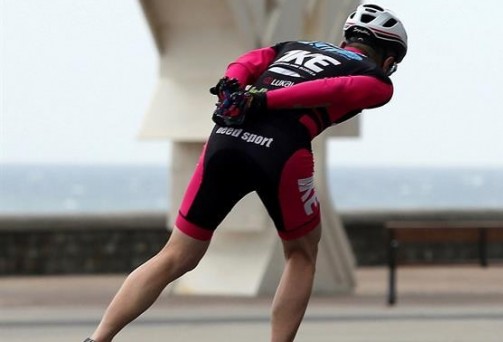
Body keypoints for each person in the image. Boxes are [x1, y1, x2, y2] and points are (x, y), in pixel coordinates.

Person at [84, 3, 407, 342]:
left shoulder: (293, 46)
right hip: (282, 150)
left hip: (225, 138)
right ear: (388, 61)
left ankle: (98, 338)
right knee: (301, 254)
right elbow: (335, 89)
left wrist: (232, 87)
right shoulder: (378, 81)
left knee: (176, 254)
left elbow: (248, 60)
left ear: (346, 42)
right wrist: (267, 101)